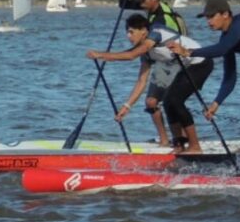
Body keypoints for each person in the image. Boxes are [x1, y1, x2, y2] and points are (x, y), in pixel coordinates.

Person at [87, 14, 212, 152]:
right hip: (185, 68)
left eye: (131, 32)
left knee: (175, 100)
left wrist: (100, 54)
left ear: (144, 31)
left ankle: (195, 146)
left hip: (201, 63)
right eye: (127, 32)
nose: (128, 36)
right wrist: (127, 106)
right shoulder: (146, 53)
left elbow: (130, 55)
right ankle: (179, 145)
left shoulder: (156, 33)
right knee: (168, 102)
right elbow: (142, 81)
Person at [171, 0, 240, 123]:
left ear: (225, 14)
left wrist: (188, 52)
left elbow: (220, 50)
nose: (208, 21)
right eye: (207, 18)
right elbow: (230, 76)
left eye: (211, 16)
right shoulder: (226, 39)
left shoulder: (239, 23)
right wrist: (216, 103)